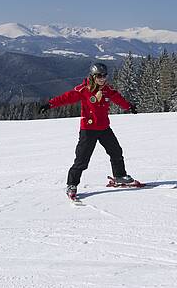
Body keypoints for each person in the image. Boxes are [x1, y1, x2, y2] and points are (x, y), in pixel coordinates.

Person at [39, 63, 139, 200]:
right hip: (88, 129)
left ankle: (120, 176)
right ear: (93, 76)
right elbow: (66, 97)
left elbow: (118, 98)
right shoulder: (83, 89)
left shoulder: (108, 90)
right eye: (99, 76)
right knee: (82, 159)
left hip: (104, 128)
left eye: (104, 75)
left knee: (116, 151)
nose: (102, 78)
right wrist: (50, 104)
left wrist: (129, 107)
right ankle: (72, 184)